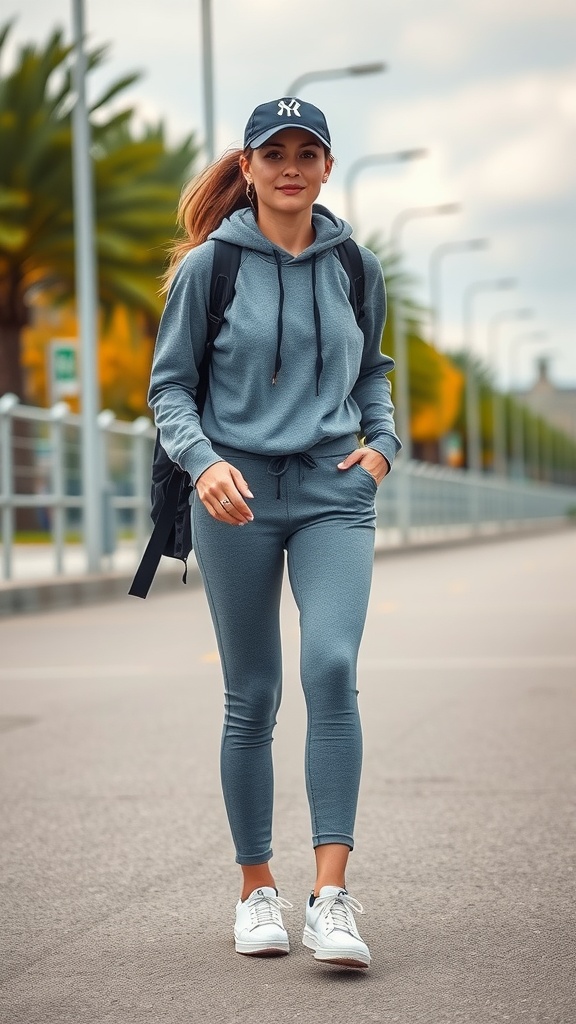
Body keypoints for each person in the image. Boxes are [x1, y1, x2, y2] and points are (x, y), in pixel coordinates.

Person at [148, 96, 401, 970]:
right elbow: (169, 388)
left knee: (330, 665)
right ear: (248, 167)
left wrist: (383, 448)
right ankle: (258, 888)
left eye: (308, 152)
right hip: (236, 497)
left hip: (335, 491)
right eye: (274, 153)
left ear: (328, 167)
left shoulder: (355, 266)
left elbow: (373, 373)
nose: (291, 166)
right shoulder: (210, 269)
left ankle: (331, 897)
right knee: (251, 694)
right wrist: (204, 461)